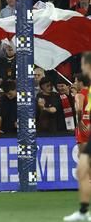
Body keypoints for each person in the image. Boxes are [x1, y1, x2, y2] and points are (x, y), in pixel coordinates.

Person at [64, 53, 91, 221]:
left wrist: (80, 120)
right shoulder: (86, 91)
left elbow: (80, 109)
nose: (82, 68)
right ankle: (83, 212)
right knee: (82, 169)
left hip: (85, 129)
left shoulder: (81, 93)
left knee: (83, 168)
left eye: (83, 65)